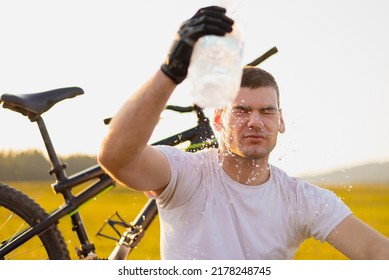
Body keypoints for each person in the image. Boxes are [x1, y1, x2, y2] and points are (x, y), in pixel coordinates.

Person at [98, 6, 389, 259]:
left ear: (281, 122)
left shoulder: (300, 199)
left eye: (266, 111)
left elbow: (375, 252)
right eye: (240, 110)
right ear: (218, 120)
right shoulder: (188, 172)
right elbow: (116, 159)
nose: (254, 121)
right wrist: (171, 71)